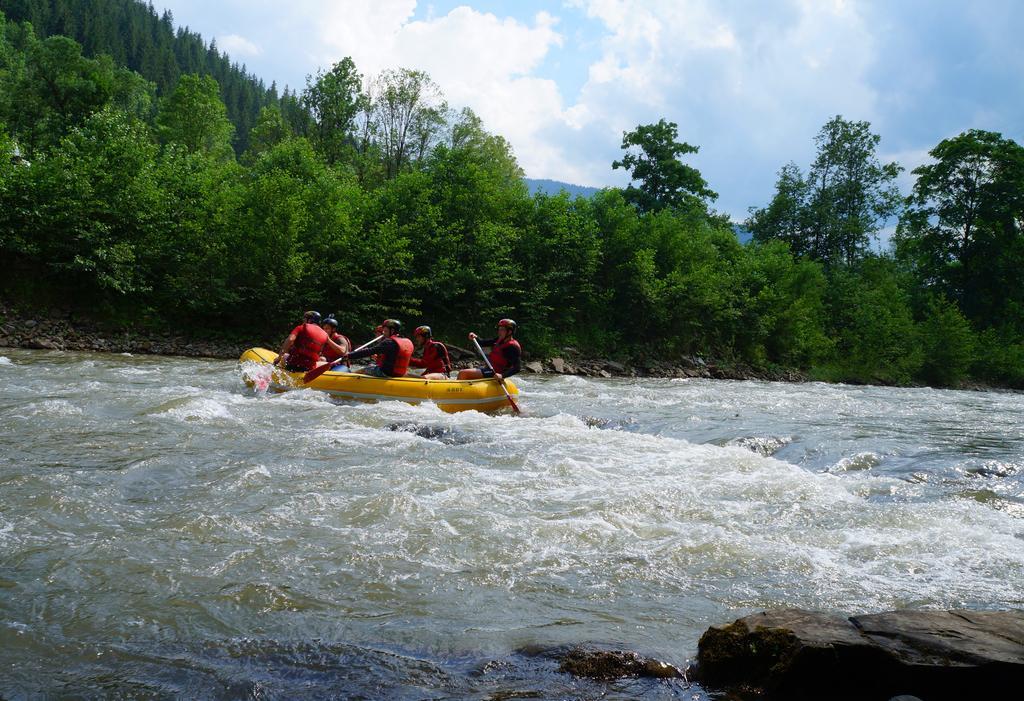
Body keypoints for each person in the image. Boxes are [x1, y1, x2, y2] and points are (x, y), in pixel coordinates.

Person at [276, 310, 348, 372]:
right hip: (309, 367)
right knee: (322, 359)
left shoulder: (340, 339)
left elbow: (290, 339)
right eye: (324, 328)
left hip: (293, 363)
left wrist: (279, 357)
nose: (325, 330)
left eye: (327, 329)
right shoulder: (323, 335)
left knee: (285, 356)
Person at [343, 319, 414, 378]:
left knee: (362, 370)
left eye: (385, 331)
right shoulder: (407, 342)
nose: (384, 334)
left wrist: (349, 356)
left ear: (392, 331)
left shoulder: (389, 342)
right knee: (372, 366)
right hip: (400, 373)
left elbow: (369, 351)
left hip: (386, 373)